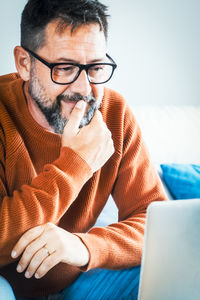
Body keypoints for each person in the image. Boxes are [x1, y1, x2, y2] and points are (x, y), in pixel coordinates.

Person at [0, 0, 167, 299]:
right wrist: (74, 166)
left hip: (77, 282)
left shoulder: (114, 112)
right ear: (24, 63)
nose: (85, 88)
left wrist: (84, 247)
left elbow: (155, 222)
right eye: (65, 68)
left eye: (96, 67)